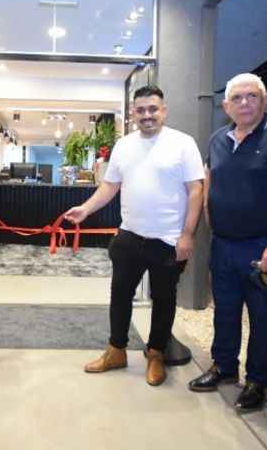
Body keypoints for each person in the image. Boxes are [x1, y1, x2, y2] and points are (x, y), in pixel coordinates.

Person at [65, 85, 204, 387]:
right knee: (119, 294)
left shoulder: (183, 144)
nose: (147, 115)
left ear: (163, 111)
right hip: (129, 236)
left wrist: (187, 235)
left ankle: (156, 354)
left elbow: (196, 191)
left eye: (153, 109)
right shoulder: (124, 146)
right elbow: (110, 186)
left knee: (163, 299)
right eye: (140, 110)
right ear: (133, 114)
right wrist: (85, 209)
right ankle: (116, 351)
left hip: (168, 240)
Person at [189, 73, 267, 411]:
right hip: (223, 245)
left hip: (262, 247)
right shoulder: (218, 139)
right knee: (225, 312)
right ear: (226, 106)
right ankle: (224, 367)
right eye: (237, 98)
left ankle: (258, 382)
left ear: (265, 99)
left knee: (263, 318)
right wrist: (212, 221)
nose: (244, 103)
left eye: (252, 96)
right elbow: (209, 179)